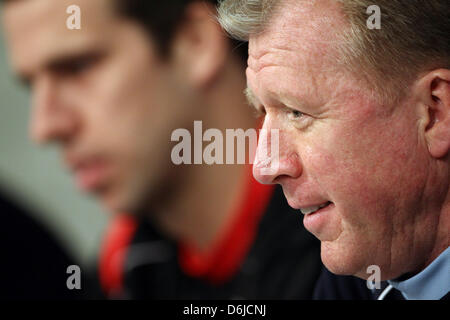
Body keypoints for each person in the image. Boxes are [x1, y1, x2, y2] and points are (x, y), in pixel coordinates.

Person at [1, 0, 321, 299]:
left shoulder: (352, 247)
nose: (44, 127)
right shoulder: (121, 273)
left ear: (194, 42)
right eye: (32, 86)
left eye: (78, 68)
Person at [217, 0, 450, 300]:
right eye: (262, 111)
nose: (264, 166)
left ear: (434, 112)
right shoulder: (359, 279)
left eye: (297, 112)